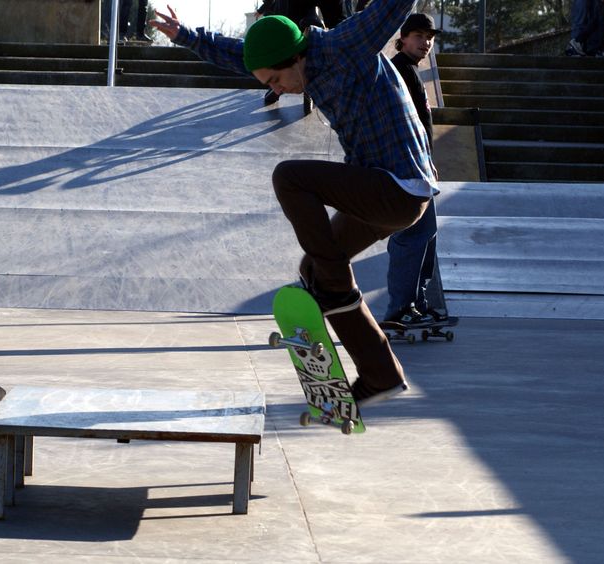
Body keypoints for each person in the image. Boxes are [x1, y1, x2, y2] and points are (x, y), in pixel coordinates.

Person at [152, 0, 436, 405]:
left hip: (396, 188)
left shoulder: (343, 46)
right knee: (316, 268)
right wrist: (186, 36)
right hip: (381, 196)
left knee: (290, 177)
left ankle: (333, 286)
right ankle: (380, 374)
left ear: (295, 58)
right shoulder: (294, 64)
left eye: (275, 79)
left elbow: (390, 8)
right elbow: (239, 55)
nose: (276, 89)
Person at [383, 13, 450, 326]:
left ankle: (417, 302)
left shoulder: (410, 71)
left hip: (418, 166)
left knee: (428, 234)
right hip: (405, 167)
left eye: (430, 38)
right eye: (420, 36)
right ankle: (400, 306)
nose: (426, 43)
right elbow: (400, 124)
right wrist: (414, 160)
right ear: (404, 38)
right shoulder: (397, 71)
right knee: (412, 234)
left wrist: (428, 159)